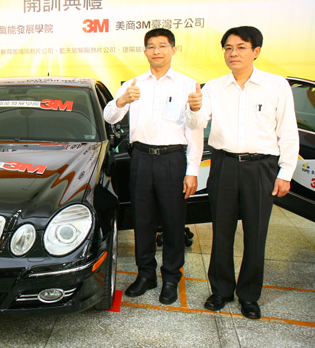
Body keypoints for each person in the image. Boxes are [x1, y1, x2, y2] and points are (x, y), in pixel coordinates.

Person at [186, 26, 299, 319]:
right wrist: (194, 108)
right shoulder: (213, 87)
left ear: (256, 51)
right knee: (221, 231)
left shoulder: (276, 85)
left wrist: (286, 172)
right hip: (223, 165)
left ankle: (249, 295)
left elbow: (288, 130)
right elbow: (198, 123)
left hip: (261, 167)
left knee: (256, 232)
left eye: (240, 47)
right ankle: (221, 290)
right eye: (228, 48)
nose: (233, 53)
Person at [104, 28, 203, 305]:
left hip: (172, 159)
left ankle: (171, 277)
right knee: (143, 221)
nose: (156, 51)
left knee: (173, 222)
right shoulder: (134, 84)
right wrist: (122, 100)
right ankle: (146, 274)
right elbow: (109, 116)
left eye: (162, 45)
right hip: (141, 159)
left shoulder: (187, 85)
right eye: (151, 46)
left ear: (173, 49)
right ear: (145, 51)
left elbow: (195, 130)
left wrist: (192, 171)